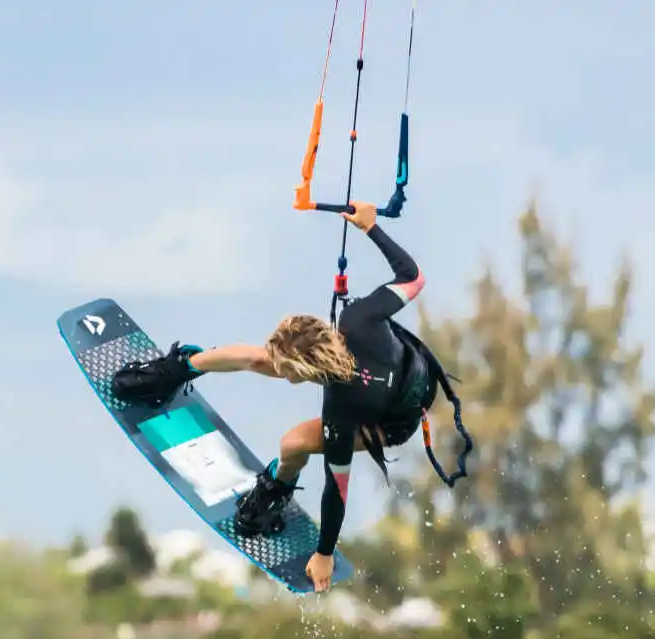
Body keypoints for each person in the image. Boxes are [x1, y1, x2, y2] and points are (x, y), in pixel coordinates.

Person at [110, 200, 460, 593]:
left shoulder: (342, 412)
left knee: (294, 443)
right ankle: (179, 369)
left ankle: (274, 490)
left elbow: (337, 488)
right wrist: (370, 227)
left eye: (288, 369)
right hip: (385, 366)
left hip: (394, 418)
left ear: (307, 371)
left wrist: (324, 553)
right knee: (261, 358)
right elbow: (413, 277)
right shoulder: (356, 319)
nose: (279, 371)